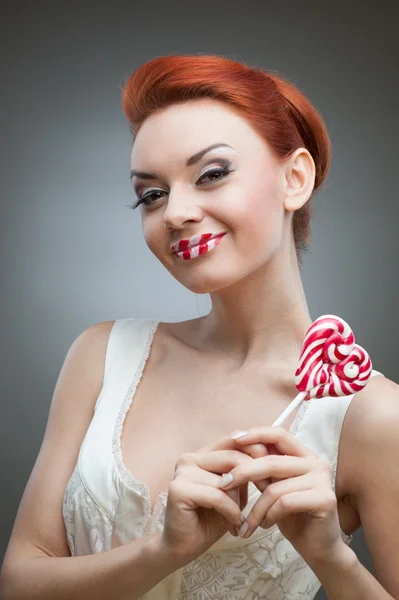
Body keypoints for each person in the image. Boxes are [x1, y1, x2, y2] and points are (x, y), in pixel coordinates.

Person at [1, 54, 398, 600]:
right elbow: (19, 581)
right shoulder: (102, 357)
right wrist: (164, 551)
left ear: (295, 179)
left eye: (211, 174)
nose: (175, 213)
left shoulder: (375, 416)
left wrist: (331, 558)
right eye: (152, 194)